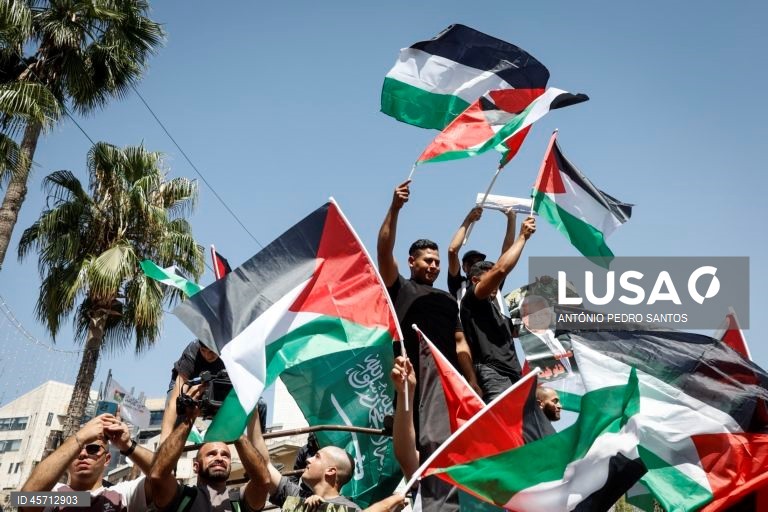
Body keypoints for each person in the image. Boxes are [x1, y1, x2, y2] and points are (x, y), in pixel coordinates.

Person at [376, 180, 477, 512]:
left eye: (436, 261)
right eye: (427, 261)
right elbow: (383, 252)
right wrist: (395, 208)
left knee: (456, 447)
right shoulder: (401, 288)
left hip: (450, 386)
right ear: (411, 262)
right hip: (413, 380)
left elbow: (460, 341)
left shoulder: (448, 299)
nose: (433, 265)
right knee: (419, 449)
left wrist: (471, 381)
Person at [246, 411, 405, 512]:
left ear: (331, 471)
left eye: (317, 456)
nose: (307, 459)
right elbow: (264, 464)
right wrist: (251, 409)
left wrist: (326, 509)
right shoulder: (295, 496)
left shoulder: (349, 509)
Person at [150, 384, 270, 512]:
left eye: (225, 455)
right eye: (211, 454)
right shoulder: (181, 497)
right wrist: (190, 418)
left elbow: (263, 482)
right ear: (195, 466)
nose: (219, 458)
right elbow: (158, 475)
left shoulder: (238, 501)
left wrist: (235, 429)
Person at [459, 216, 536, 401]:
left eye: (497, 282)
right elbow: (501, 269)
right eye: (491, 279)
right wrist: (522, 237)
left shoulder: (497, 312)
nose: (496, 284)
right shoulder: (472, 300)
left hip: (515, 375)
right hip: (493, 375)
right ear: (475, 281)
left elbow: (518, 330)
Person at [20, 414, 154, 512]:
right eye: (77, 450)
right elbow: (25, 500)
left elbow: (161, 477)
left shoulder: (122, 495)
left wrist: (127, 445)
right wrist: (80, 437)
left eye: (93, 449)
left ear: (107, 459)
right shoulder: (58, 495)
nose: (83, 454)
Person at [161, 340, 267, 442]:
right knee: (178, 404)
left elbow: (246, 388)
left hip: (221, 385)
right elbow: (174, 400)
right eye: (203, 351)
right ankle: (169, 441)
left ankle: (261, 440)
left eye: (211, 352)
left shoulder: (233, 353)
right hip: (191, 383)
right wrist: (164, 440)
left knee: (260, 404)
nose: (207, 356)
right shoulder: (192, 351)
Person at [446, 206, 519, 305]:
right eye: (470, 262)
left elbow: (506, 253)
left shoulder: (493, 280)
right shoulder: (458, 285)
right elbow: (452, 251)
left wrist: (512, 219)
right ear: (463, 268)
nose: (476, 264)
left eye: (480, 261)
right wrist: (469, 220)